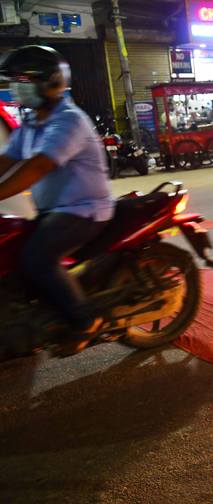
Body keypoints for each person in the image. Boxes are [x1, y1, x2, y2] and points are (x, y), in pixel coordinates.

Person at [0, 45, 114, 353]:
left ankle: (86, 321)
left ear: (51, 82)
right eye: (14, 79)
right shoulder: (32, 124)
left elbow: (38, 165)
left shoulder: (69, 120)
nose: (17, 87)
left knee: (35, 257)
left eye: (25, 78)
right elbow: (7, 160)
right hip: (53, 210)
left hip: (83, 211)